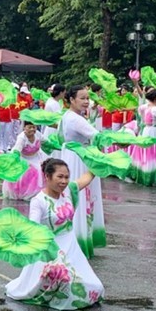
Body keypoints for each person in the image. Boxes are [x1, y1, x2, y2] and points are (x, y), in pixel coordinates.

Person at [6, 158, 104, 310]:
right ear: (47, 176)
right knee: (62, 279)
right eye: (60, 177)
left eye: (66, 177)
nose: (64, 181)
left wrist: (102, 162)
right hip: (49, 247)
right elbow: (33, 226)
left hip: (70, 246)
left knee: (94, 288)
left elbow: (86, 178)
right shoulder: (38, 201)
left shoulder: (69, 191)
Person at [57, 85, 104, 258]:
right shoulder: (76, 119)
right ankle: (78, 239)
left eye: (87, 98)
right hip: (79, 159)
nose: (86, 101)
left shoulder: (70, 116)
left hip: (73, 156)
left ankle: (77, 237)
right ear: (71, 99)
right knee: (80, 196)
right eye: (82, 98)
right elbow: (97, 136)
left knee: (78, 196)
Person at [4, 122, 46, 200]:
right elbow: (17, 150)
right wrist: (14, 159)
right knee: (28, 171)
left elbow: (46, 142)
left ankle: (35, 193)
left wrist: (57, 146)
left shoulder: (38, 135)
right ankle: (24, 192)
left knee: (40, 170)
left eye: (34, 127)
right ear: (24, 128)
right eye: (29, 127)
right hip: (23, 158)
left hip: (36, 158)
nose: (32, 129)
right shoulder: (22, 138)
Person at [131, 88, 156, 186]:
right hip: (154, 132)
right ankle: (152, 177)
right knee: (153, 154)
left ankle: (143, 176)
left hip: (145, 130)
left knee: (145, 153)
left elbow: (140, 115)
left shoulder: (144, 107)